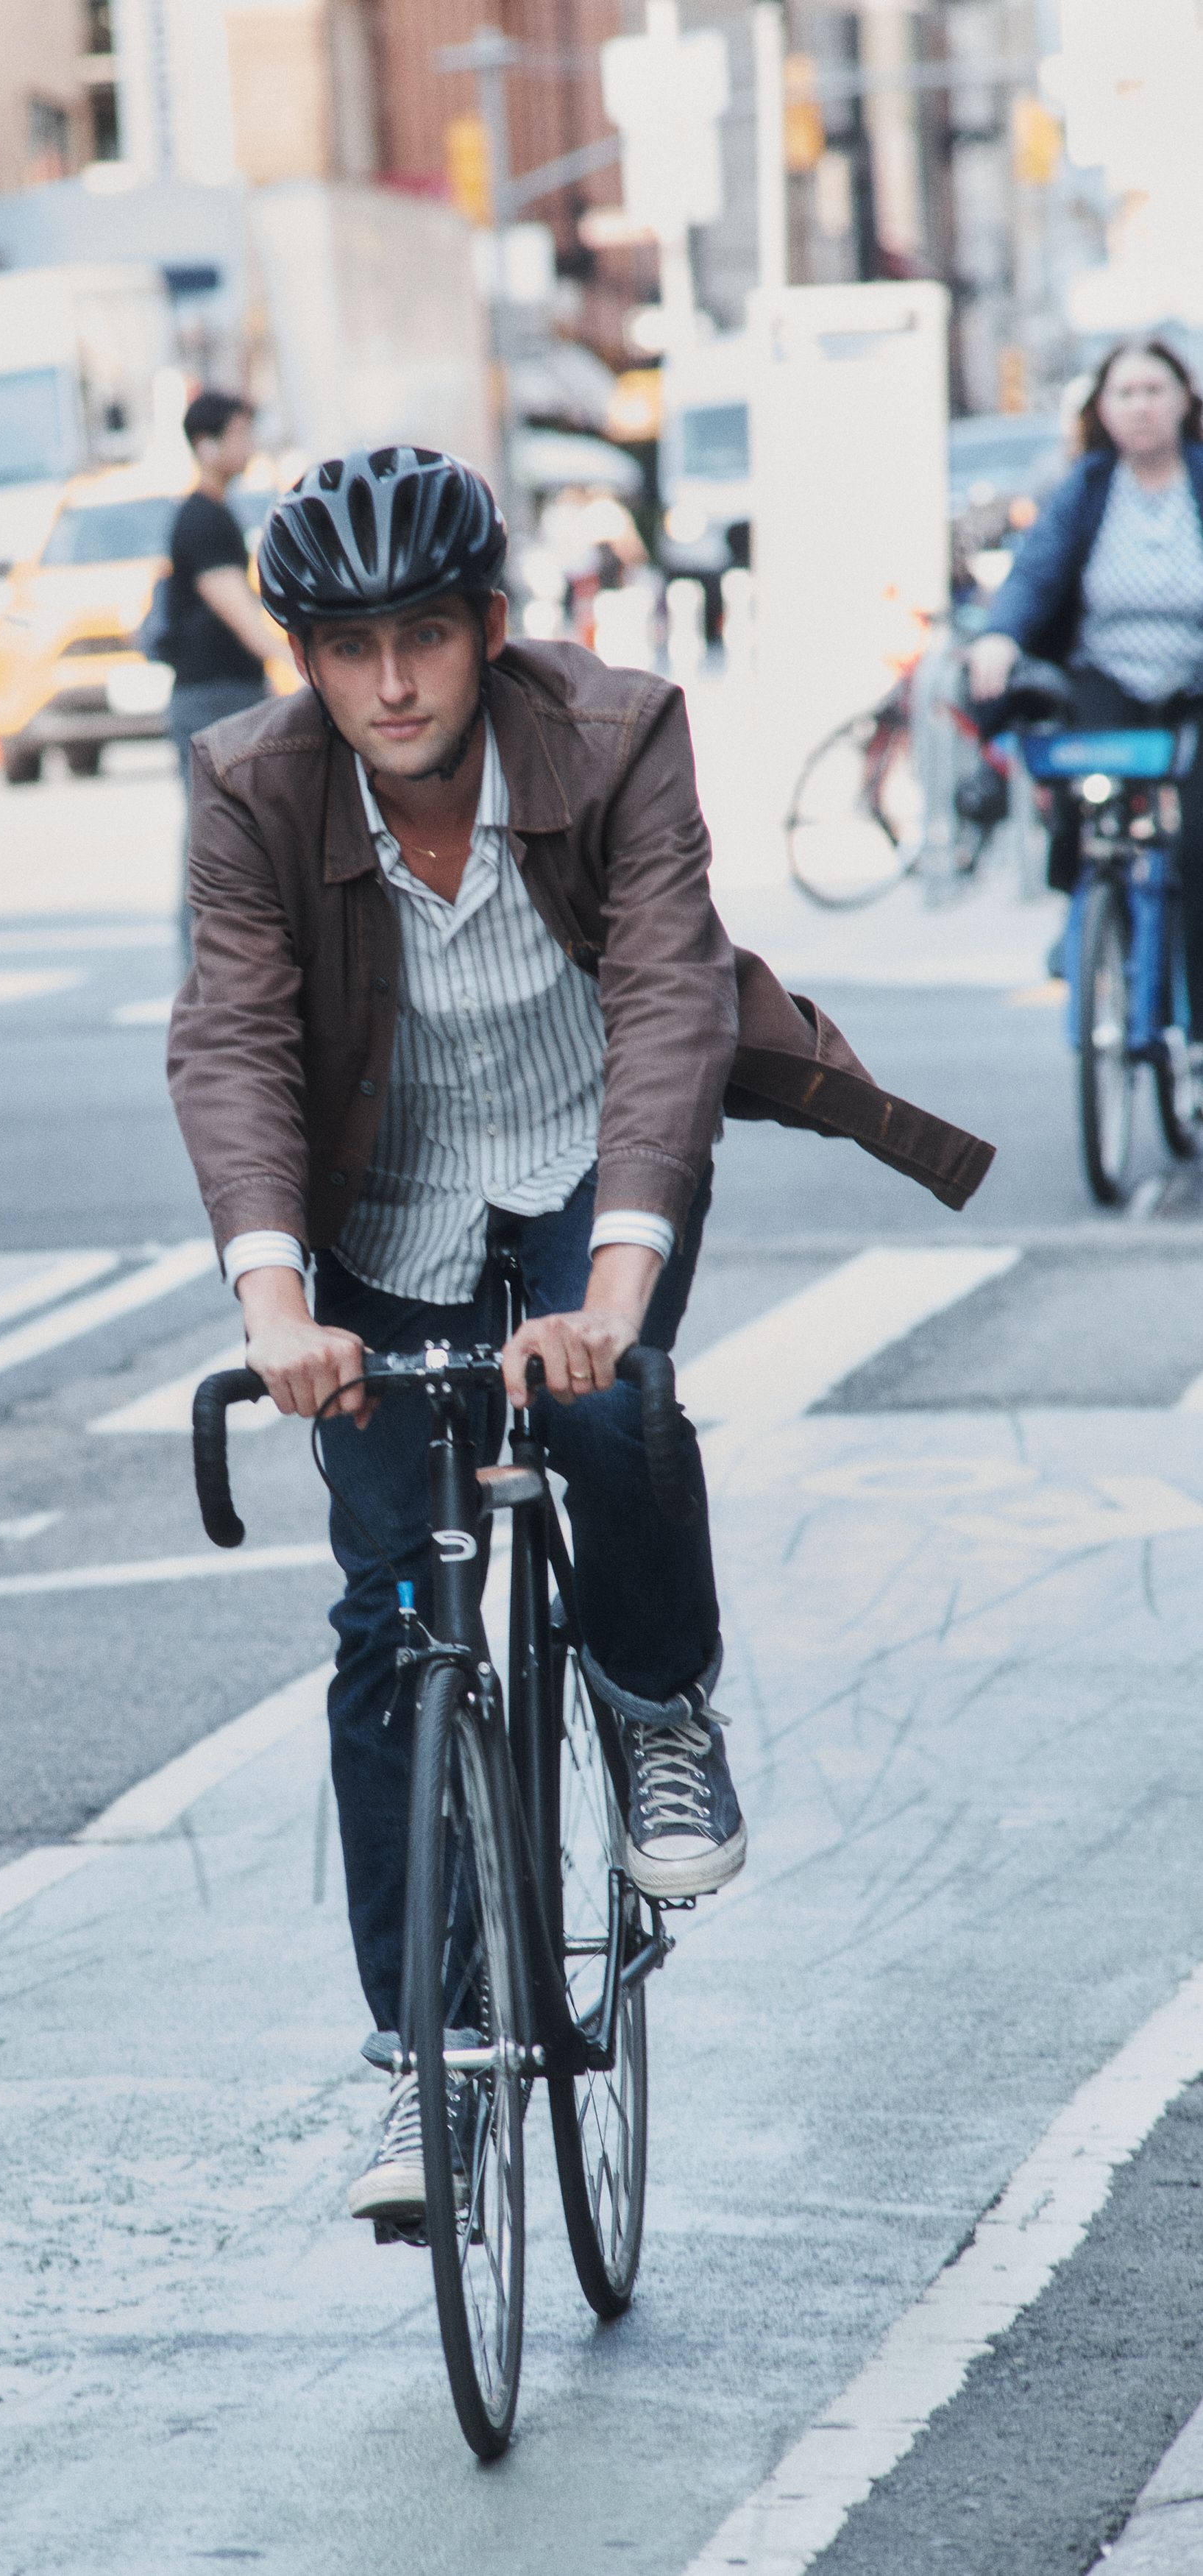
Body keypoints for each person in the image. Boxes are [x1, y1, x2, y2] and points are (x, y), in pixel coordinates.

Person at [167, 447, 993, 2228]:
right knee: (388, 1622)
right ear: (304, 658)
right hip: (380, 1214)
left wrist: (613, 1293)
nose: (389, 684)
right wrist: (276, 1307)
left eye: (423, 639)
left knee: (606, 1413)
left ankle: (656, 1701)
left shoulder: (616, 735)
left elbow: (671, 996)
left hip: (578, 1164)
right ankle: (427, 2068)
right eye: (346, 646)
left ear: (485, 631)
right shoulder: (246, 789)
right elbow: (231, 1038)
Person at [969, 339, 1203, 1019]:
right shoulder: (1087, 487)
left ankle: (1194, 1031)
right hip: (1106, 674)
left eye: (1152, 391)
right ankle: (1093, 911)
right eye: (1124, 393)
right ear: (1101, 408)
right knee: (1077, 793)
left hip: (1193, 680)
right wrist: (999, 638)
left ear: (1183, 399)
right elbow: (1035, 573)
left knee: (1195, 842)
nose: (1139, 407)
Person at [165, 392, 279, 960]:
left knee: (232, 830)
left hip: (221, 692)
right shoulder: (202, 519)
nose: (248, 444)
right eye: (239, 432)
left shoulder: (215, 512)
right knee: (212, 836)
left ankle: (222, 958)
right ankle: (202, 968)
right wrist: (297, 662)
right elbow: (236, 608)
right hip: (210, 697)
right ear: (207, 444)